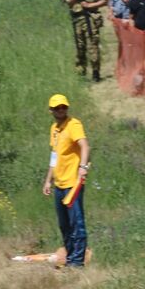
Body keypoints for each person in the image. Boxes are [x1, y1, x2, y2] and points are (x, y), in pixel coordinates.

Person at [42, 94, 91, 269]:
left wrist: (83, 167)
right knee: (64, 225)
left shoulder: (74, 125)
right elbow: (54, 156)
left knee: (76, 223)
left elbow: (85, 145)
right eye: (57, 108)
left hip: (73, 183)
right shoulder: (54, 129)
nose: (61, 110)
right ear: (51, 110)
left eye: (63, 107)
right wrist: (48, 180)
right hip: (59, 184)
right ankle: (70, 258)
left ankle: (77, 263)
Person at [64, 0, 108, 80]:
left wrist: (90, 5)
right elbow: (69, 2)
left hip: (90, 18)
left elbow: (104, 0)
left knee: (93, 45)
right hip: (78, 19)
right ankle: (81, 70)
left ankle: (95, 72)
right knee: (80, 45)